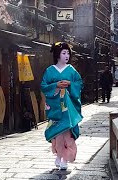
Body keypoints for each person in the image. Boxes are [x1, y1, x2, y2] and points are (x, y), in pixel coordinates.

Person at [41, 42, 83, 170]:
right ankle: (59, 156)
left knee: (67, 133)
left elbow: (79, 84)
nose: (67, 56)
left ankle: (65, 158)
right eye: (64, 53)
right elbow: (43, 86)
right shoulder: (49, 71)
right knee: (58, 133)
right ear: (57, 55)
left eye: (68, 53)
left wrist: (70, 83)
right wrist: (56, 86)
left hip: (68, 107)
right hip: (55, 106)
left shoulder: (71, 70)